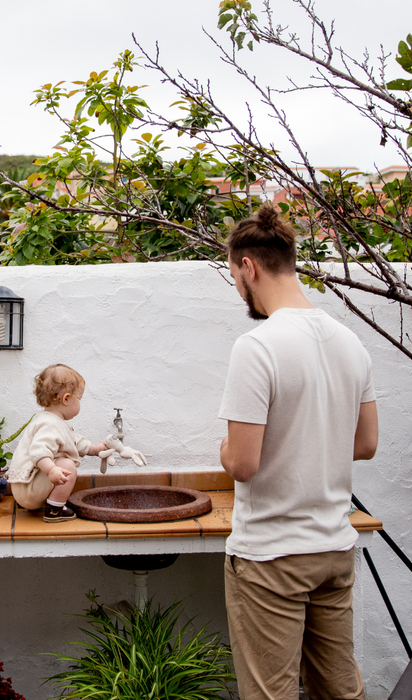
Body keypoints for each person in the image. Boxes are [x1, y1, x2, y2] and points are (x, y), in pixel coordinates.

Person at [218, 203, 378, 699]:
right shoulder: (350, 342)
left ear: (250, 267)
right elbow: (366, 444)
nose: (239, 291)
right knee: (340, 692)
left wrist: (224, 448)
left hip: (271, 556)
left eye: (235, 278)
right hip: (333, 546)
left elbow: (243, 463)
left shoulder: (258, 345)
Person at [7, 364, 108, 523]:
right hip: (29, 489)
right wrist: (51, 470)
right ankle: (55, 509)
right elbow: (39, 452)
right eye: (79, 399)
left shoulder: (52, 422)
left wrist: (96, 449)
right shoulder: (49, 425)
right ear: (66, 398)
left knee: (63, 463)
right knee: (67, 466)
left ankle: (49, 502)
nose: (80, 403)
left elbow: (73, 441)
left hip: (25, 488)